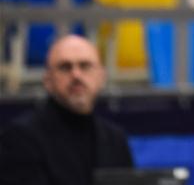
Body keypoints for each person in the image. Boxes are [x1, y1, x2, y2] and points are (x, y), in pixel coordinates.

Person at [0, 35, 133, 185]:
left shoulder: (115, 139)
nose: (76, 75)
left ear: (101, 77)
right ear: (48, 80)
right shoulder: (20, 138)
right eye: (65, 67)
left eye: (85, 66)